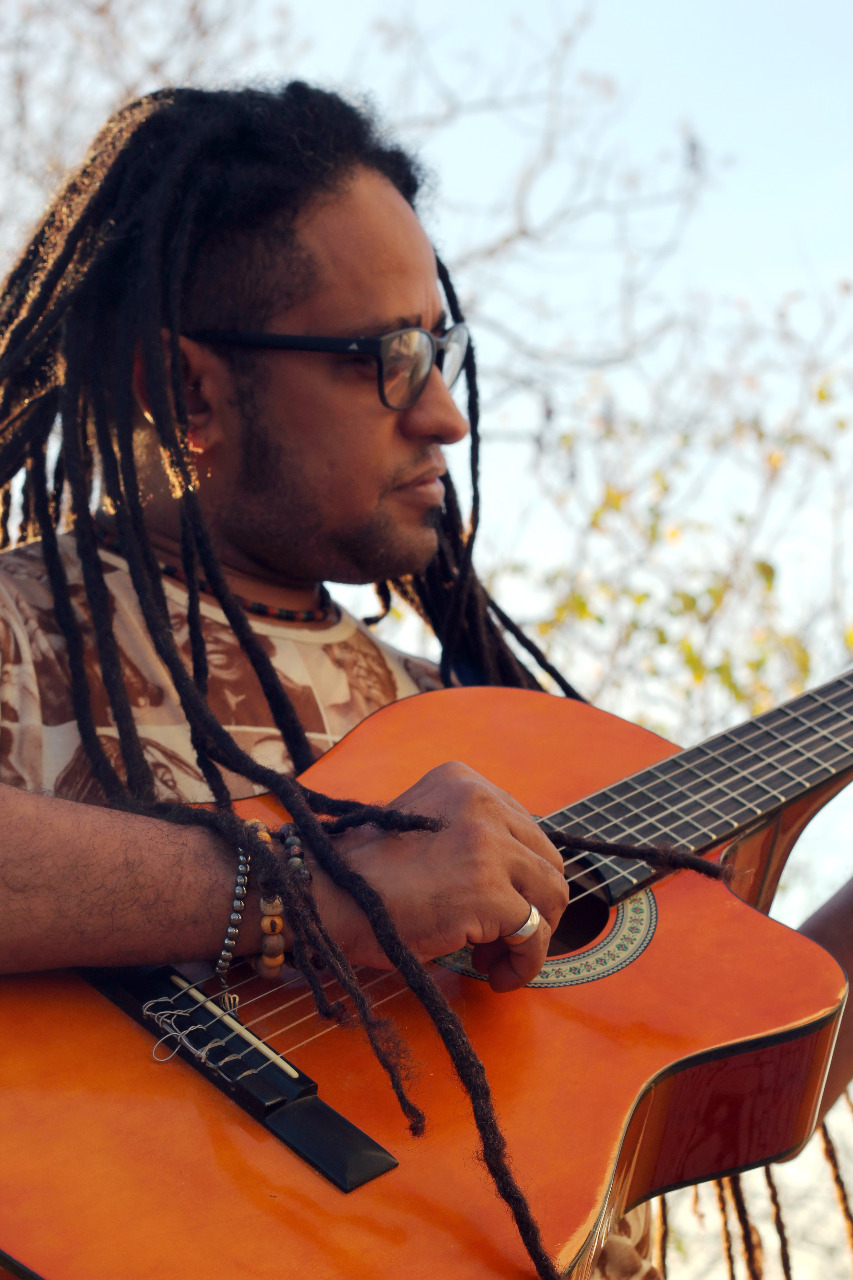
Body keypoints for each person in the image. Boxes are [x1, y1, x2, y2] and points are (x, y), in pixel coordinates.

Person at [0, 83, 849, 1280]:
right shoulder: (24, 623)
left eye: (439, 350)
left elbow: (716, 1067)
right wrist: (304, 887)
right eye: (388, 359)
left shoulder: (480, 726)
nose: (445, 414)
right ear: (188, 391)